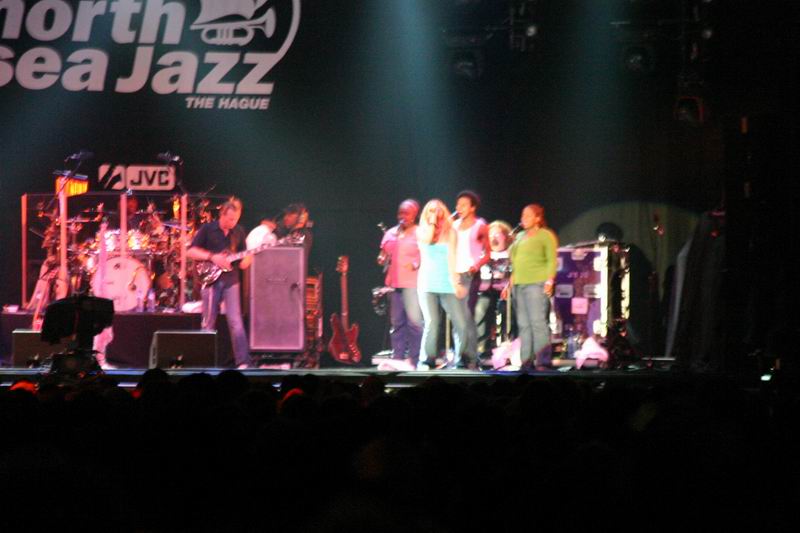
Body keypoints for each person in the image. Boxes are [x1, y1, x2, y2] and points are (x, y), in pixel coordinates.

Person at [187, 198, 253, 368]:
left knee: (235, 321)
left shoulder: (238, 232)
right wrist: (212, 257)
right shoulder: (208, 229)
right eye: (230, 219)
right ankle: (203, 362)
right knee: (208, 321)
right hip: (210, 281)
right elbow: (191, 251)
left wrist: (248, 259)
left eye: (236, 219)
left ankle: (243, 362)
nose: (233, 223)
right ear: (222, 214)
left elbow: (243, 261)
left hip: (231, 280)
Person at [416, 199, 474, 369]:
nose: (435, 213)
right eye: (431, 210)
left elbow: (452, 258)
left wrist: (456, 282)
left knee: (460, 323)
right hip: (427, 284)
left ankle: (461, 357)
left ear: (443, 212)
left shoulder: (451, 232)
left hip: (447, 284)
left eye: (438, 210)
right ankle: (427, 359)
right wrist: (432, 223)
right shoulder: (421, 230)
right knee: (432, 323)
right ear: (426, 213)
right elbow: (428, 240)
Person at [502, 204, 558, 370]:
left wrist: (550, 281)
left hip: (536, 283)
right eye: (522, 215)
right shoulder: (519, 236)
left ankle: (542, 361)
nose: (523, 219)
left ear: (538, 218)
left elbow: (552, 260)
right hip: (519, 285)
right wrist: (508, 285)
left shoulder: (545, 235)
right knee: (523, 324)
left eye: (528, 215)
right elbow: (515, 263)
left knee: (537, 322)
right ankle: (526, 360)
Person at [377, 199, 424, 367]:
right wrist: (381, 258)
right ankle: (398, 359)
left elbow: (426, 256)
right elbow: (383, 255)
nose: (402, 216)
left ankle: (415, 359)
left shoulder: (420, 233)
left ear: (415, 215)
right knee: (397, 324)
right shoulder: (390, 233)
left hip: (413, 285)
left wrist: (416, 264)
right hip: (395, 285)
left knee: (414, 324)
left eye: (407, 213)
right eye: (400, 213)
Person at [474, 220, 513, 361]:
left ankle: (507, 346)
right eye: (490, 235)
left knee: (507, 308)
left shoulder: (511, 253)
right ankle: (482, 348)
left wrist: (509, 287)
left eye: (497, 234)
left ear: (505, 236)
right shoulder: (483, 254)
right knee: (481, 308)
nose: (493, 238)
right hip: (486, 290)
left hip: (506, 290)